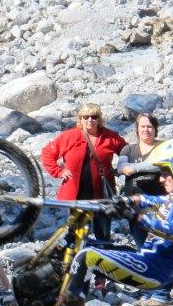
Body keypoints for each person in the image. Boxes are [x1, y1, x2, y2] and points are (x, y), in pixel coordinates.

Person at [54, 137, 173, 306]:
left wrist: (135, 216)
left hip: (156, 269)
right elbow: (157, 201)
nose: (161, 179)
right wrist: (128, 200)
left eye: (165, 173)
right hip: (149, 259)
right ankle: (70, 300)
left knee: (86, 256)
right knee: (85, 244)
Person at [40, 103, 126, 242]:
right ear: (80, 119)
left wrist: (122, 168)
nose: (89, 120)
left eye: (94, 117)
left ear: (99, 119)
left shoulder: (110, 137)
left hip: (102, 192)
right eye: (85, 117)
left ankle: (103, 252)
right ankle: (76, 254)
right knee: (76, 232)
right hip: (77, 193)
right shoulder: (70, 136)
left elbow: (126, 152)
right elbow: (47, 153)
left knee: (103, 233)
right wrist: (58, 171)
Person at [116, 113, 162, 249]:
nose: (146, 129)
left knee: (160, 248)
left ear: (155, 129)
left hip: (159, 208)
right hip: (134, 209)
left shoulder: (163, 147)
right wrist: (130, 168)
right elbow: (121, 168)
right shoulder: (128, 149)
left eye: (150, 126)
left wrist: (135, 168)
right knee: (142, 247)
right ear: (137, 129)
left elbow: (160, 164)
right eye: (143, 126)